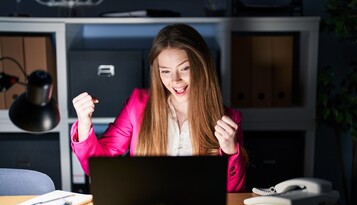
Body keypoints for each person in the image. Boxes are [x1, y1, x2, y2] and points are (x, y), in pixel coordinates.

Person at [70, 23, 247, 192]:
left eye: (184, 68)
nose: (175, 80)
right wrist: (84, 124)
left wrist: (231, 151)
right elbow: (96, 166)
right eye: (165, 71)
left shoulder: (229, 117)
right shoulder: (137, 105)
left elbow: (234, 195)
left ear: (201, 66)